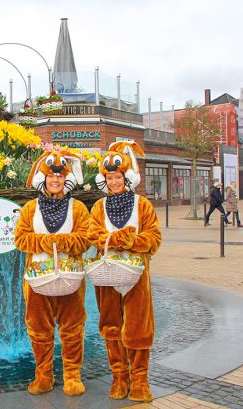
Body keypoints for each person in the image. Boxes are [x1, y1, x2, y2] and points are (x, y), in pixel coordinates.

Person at [87, 141, 162, 403]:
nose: (114, 182)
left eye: (118, 177)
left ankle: (140, 379)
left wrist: (130, 241)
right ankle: (119, 377)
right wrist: (115, 238)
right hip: (107, 277)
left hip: (136, 276)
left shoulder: (143, 205)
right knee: (110, 326)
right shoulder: (98, 207)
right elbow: (92, 234)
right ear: (104, 179)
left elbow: (154, 238)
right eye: (109, 178)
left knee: (138, 327)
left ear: (126, 177)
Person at [14, 150, 90, 397]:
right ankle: (44, 375)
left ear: (66, 179)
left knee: (72, 328)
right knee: (38, 329)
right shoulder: (29, 208)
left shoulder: (78, 208)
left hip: (71, 280)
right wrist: (47, 242)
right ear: (43, 179)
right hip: (37, 280)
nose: (55, 180)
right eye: (50, 176)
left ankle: (72, 375)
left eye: (60, 176)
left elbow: (86, 239)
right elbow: (20, 239)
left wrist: (64, 243)